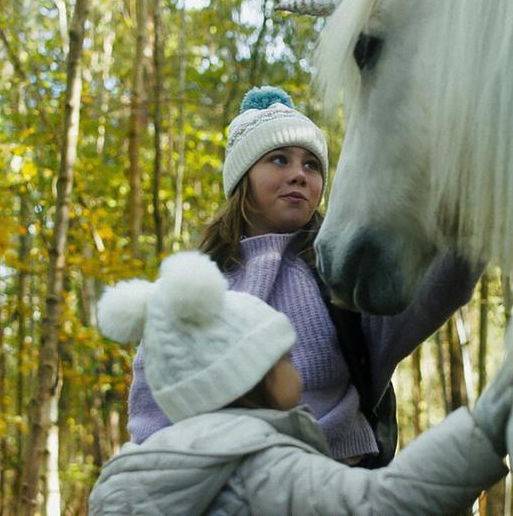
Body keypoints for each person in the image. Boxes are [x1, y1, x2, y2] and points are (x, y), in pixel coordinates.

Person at [126, 86, 485, 466]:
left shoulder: (341, 275)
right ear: (242, 178)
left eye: (311, 165)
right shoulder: (190, 289)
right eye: (279, 160)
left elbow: (440, 287)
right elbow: (152, 423)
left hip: (340, 488)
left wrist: (480, 196)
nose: (299, 174)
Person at [89, 251, 513, 515]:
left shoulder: (128, 478)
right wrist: (487, 428)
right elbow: (382, 502)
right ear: (250, 377)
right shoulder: (260, 468)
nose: (298, 369)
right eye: (286, 359)